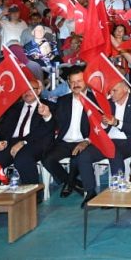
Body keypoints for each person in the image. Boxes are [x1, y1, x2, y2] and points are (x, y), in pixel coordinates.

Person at [41, 65, 97, 197]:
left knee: (77, 157)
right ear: (68, 83)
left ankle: (70, 183)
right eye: (72, 82)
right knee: (47, 159)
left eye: (79, 81)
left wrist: (87, 141)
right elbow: (54, 122)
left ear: (86, 81)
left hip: (85, 141)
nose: (75, 85)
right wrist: (47, 115)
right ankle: (72, 182)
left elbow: (99, 128)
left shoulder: (95, 101)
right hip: (64, 142)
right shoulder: (62, 101)